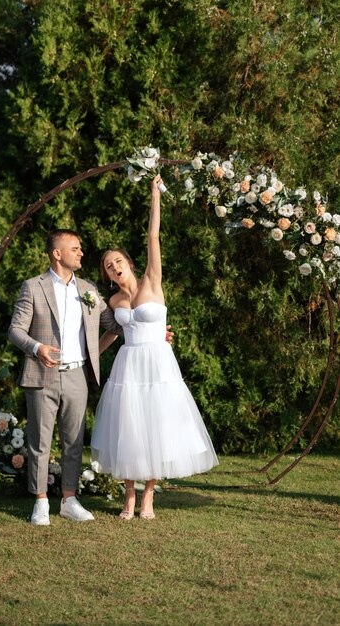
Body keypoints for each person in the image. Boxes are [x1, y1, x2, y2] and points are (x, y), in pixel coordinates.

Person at [91, 175, 219, 520]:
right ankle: (129, 497)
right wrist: (89, 357)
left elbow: (153, 236)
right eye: (108, 266)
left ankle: (149, 496)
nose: (115, 267)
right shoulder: (114, 299)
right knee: (129, 428)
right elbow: (112, 334)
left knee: (156, 425)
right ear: (107, 275)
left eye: (118, 261)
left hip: (158, 364)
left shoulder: (152, 279)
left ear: (128, 262)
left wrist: (154, 196)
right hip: (129, 364)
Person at [8, 228, 122, 525]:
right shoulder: (33, 286)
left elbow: (113, 323)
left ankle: (69, 500)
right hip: (41, 374)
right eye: (74, 248)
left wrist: (146, 324)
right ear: (57, 253)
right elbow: (15, 331)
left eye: (80, 248)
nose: (81, 252)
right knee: (40, 442)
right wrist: (37, 347)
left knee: (74, 442)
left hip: (76, 374)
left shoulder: (88, 289)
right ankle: (41, 502)